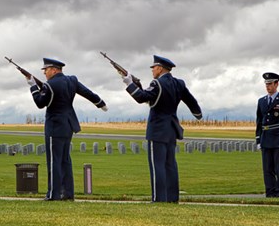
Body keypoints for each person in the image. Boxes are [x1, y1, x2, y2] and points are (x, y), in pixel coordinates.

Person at [121, 55, 202, 203]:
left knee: (157, 165)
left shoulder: (157, 83)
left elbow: (141, 97)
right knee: (170, 165)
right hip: (171, 128)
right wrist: (197, 113)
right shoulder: (179, 83)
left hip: (158, 129)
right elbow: (191, 100)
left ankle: (158, 199)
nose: (152, 71)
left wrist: (128, 83)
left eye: (154, 68)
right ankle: (172, 198)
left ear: (160, 68)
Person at [27, 58, 108, 201]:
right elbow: (87, 93)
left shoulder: (50, 85)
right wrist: (99, 102)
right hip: (68, 125)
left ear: (54, 69)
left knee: (54, 161)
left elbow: (40, 103)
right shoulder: (72, 80)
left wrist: (33, 86)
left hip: (55, 126)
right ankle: (68, 193)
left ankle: (53, 194)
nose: (45, 72)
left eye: (46, 69)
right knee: (65, 160)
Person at [255, 72, 279, 198]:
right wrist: (258, 139)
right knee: (267, 169)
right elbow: (259, 121)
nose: (268, 86)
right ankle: (270, 193)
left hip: (278, 138)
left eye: (270, 84)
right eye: (266, 84)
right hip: (266, 138)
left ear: (277, 84)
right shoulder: (261, 101)